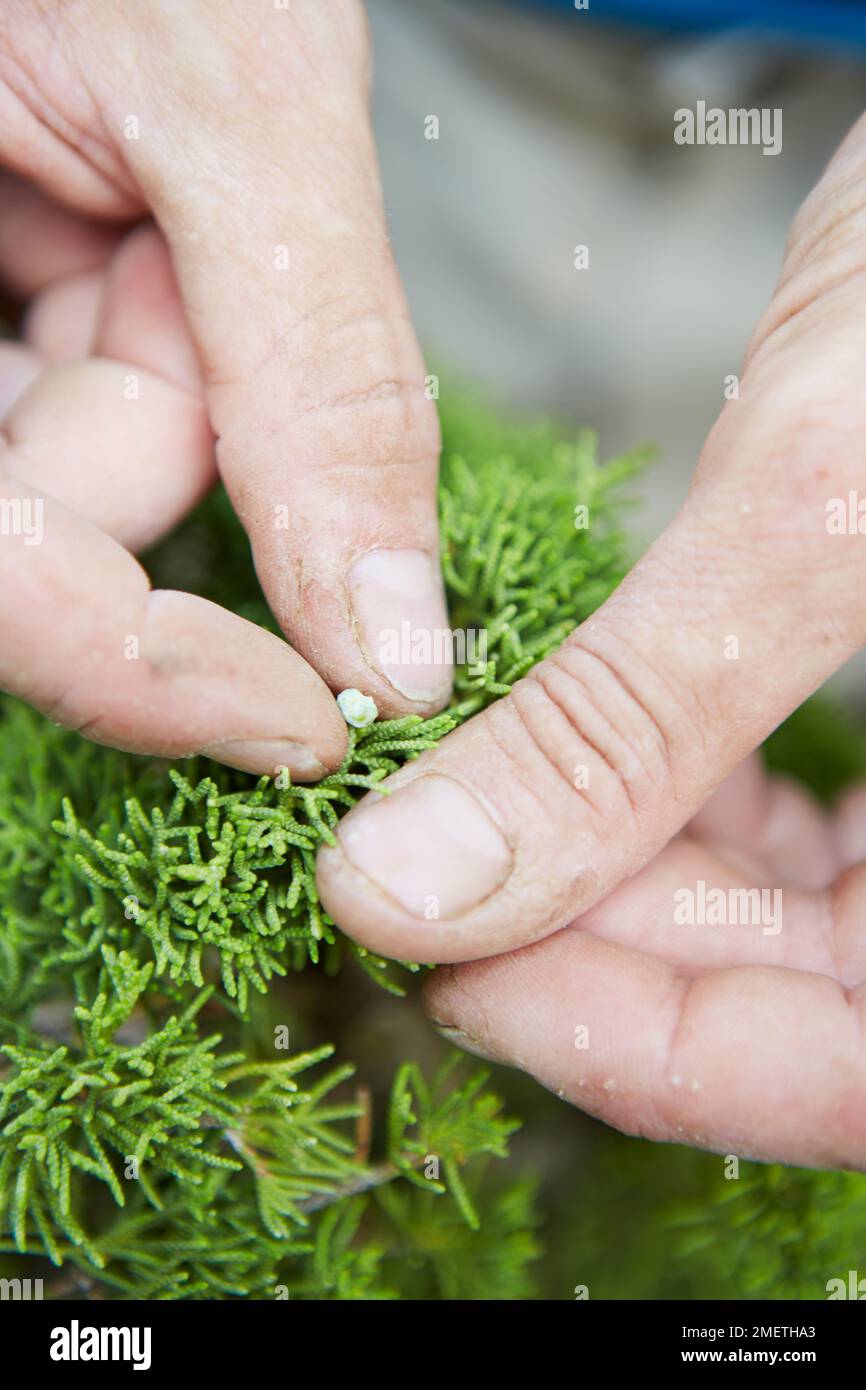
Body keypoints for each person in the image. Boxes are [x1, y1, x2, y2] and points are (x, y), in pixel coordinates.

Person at [2, 0, 866, 1171]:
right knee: (400, 358)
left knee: (766, 541)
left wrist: (616, 730)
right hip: (419, 54)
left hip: (827, 120)